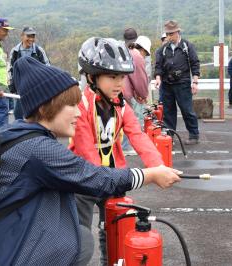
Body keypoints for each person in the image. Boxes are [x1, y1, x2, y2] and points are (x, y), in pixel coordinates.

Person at [0, 56, 180, 266]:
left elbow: (135, 137)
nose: (78, 112)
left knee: (73, 232)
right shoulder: (39, 149)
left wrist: (156, 164)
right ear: (44, 108)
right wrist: (150, 175)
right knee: (79, 242)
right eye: (70, 105)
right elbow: (96, 177)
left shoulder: (17, 133)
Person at [70, 37, 165, 266]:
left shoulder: (121, 105)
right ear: (92, 77)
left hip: (113, 175)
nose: (120, 83)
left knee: (114, 231)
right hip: (84, 178)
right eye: (112, 76)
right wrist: (108, 180)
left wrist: (158, 166)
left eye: (122, 76)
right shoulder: (81, 105)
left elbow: (138, 135)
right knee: (79, 234)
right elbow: (85, 148)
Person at [154, 20, 200, 145]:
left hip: (183, 83)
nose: (169, 36)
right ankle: (169, 137)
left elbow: (195, 63)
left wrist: (195, 82)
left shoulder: (187, 46)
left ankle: (194, 135)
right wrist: (158, 77)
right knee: (168, 112)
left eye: (171, 34)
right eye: (167, 34)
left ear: (178, 32)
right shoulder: (163, 49)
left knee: (187, 110)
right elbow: (158, 66)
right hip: (166, 84)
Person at [9, 26, 50, 120]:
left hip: (36, 86)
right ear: (22, 36)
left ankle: (36, 131)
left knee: (36, 111)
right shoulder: (15, 51)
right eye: (29, 36)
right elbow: (10, 69)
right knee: (18, 112)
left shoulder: (39, 50)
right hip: (20, 86)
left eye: (33, 36)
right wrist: (11, 85)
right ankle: (20, 131)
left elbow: (47, 67)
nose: (31, 39)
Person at [122, 28, 150, 154]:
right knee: (132, 119)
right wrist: (143, 95)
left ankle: (124, 146)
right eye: (146, 53)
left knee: (121, 119)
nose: (145, 56)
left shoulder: (126, 51)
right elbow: (140, 79)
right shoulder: (137, 56)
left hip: (119, 91)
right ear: (143, 49)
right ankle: (128, 146)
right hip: (127, 94)